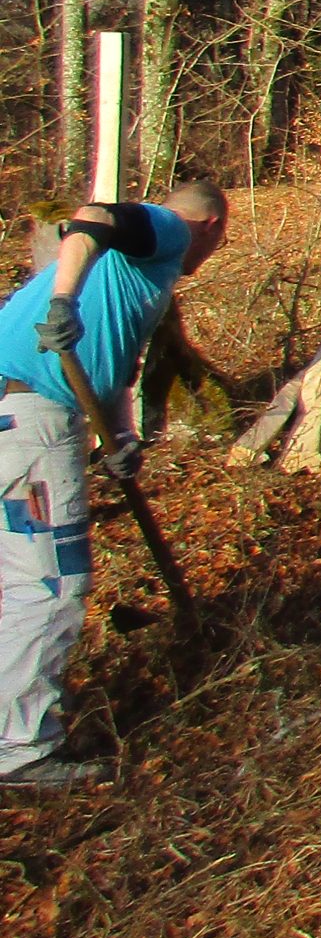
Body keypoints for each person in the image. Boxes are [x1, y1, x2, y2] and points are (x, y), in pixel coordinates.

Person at [0, 180, 229, 789]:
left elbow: (113, 366)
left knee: (14, 581)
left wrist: (120, 439)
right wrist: (64, 300)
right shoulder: (169, 232)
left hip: (21, 411)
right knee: (48, 585)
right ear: (210, 227)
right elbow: (95, 217)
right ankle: (19, 750)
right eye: (219, 241)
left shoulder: (136, 285)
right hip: (28, 420)